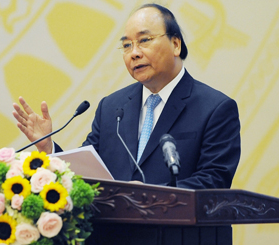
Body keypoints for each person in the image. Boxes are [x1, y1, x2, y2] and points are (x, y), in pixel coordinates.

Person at [12, 4, 240, 190]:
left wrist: (145, 196)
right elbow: (87, 173)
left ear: (176, 44)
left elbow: (214, 181)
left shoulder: (216, 108)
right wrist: (48, 148)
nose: (134, 53)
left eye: (144, 40)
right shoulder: (111, 107)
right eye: (126, 45)